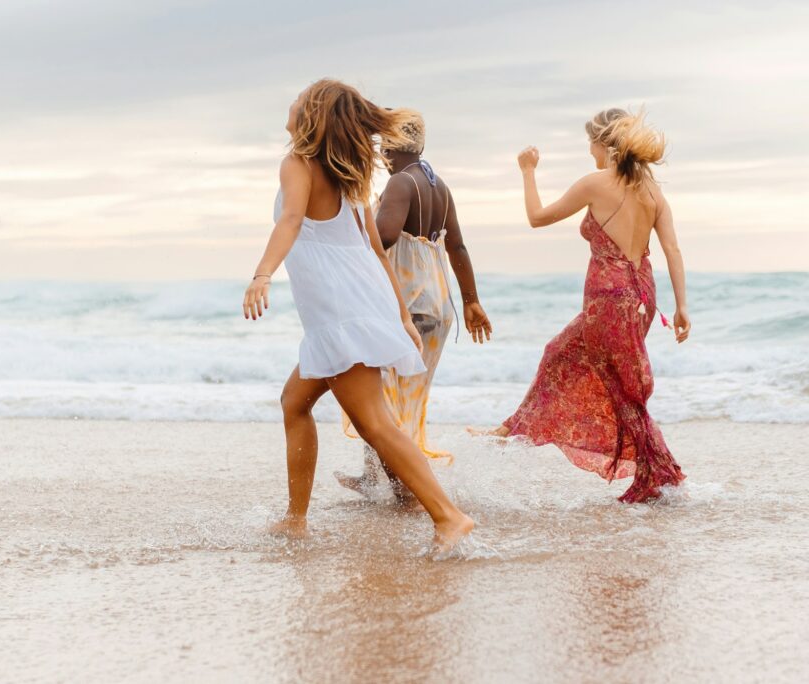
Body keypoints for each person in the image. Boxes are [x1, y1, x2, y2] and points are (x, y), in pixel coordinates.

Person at [242, 79, 475, 552]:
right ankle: (295, 519)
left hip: (341, 310)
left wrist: (262, 274)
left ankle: (449, 517)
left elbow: (290, 221)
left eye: (299, 98)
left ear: (311, 116)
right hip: (354, 305)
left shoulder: (297, 164)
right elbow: (376, 252)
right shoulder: (349, 177)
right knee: (295, 402)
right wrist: (400, 318)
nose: (290, 101)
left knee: (373, 421)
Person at [474, 108, 689, 503]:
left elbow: (537, 218)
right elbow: (672, 249)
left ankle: (661, 474)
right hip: (640, 296)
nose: (589, 151)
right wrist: (681, 307)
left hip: (609, 300)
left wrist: (527, 171)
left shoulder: (596, 183)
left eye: (590, 142)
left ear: (603, 143)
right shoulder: (653, 192)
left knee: (621, 388)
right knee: (562, 353)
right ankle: (512, 429)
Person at [334, 112, 491, 503]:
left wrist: (349, 229)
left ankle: (406, 487)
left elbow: (384, 236)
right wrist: (471, 301)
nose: (377, 153)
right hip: (437, 304)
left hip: (407, 303)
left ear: (390, 145)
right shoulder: (439, 186)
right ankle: (377, 476)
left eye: (379, 145)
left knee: (378, 397)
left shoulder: (401, 183)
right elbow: (457, 246)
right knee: (402, 397)